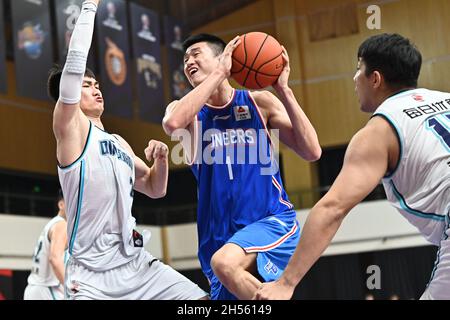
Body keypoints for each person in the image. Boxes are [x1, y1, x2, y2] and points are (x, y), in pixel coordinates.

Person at [254, 33, 450, 300]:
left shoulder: (379, 130)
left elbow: (333, 208)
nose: (355, 79)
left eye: (358, 69)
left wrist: (285, 283)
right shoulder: (445, 98)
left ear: (376, 79)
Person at [50, 0, 207, 300]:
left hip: (135, 263)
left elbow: (154, 188)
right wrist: (90, 6)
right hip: (91, 273)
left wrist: (161, 159)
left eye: (97, 84)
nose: (96, 88)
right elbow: (74, 65)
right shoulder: (71, 130)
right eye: (86, 85)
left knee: (201, 301)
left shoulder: (119, 142)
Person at [162, 33, 321, 299]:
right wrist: (219, 74)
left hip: (270, 221)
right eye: (185, 58)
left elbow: (312, 151)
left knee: (225, 263)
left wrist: (284, 90)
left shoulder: (260, 103)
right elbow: (172, 123)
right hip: (217, 239)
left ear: (223, 57)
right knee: (225, 266)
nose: (188, 61)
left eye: (196, 53)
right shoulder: (187, 113)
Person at [24, 191, 67, 300]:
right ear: (61, 204)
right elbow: (55, 259)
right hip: (46, 290)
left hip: (35, 288)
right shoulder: (62, 224)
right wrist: (70, 287)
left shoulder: (52, 223)